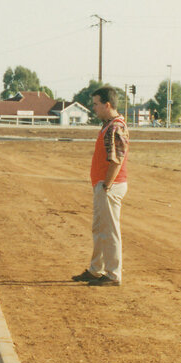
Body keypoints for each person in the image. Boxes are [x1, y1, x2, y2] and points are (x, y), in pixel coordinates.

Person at [72, 86, 130, 287]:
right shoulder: (108, 125)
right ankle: (96, 270)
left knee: (110, 231)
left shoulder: (116, 127)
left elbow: (117, 160)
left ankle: (113, 275)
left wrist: (106, 185)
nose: (93, 108)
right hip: (103, 186)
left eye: (96, 104)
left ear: (107, 105)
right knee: (99, 229)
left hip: (109, 187)